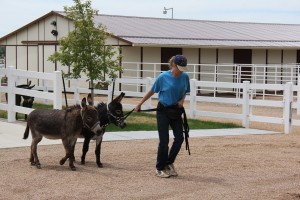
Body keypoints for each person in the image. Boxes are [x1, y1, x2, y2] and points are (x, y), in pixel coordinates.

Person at [134, 55, 190, 178]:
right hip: (163, 111)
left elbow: (185, 91)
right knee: (164, 141)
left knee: (180, 138)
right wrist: (140, 103)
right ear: (174, 65)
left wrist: (182, 100)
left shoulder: (185, 77)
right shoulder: (163, 77)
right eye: (179, 68)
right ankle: (159, 168)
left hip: (176, 111)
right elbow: (152, 91)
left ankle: (169, 163)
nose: (181, 70)